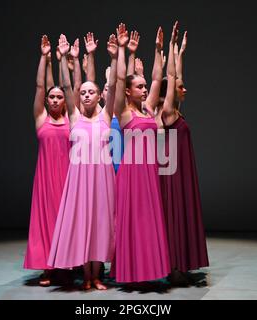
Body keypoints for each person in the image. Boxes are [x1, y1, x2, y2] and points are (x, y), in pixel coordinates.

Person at [48, 33, 118, 290]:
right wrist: (65, 57)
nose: (87, 95)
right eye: (84, 92)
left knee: (100, 224)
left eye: (92, 92)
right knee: (83, 222)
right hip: (79, 179)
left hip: (102, 176)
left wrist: (114, 56)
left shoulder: (106, 115)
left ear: (100, 96)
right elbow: (67, 88)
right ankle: (86, 276)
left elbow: (116, 87)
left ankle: (96, 275)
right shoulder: (75, 116)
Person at [112, 23, 171, 284]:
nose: (145, 89)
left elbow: (158, 78)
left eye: (144, 87)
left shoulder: (148, 109)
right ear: (128, 91)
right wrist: (123, 50)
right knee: (132, 221)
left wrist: (158, 49)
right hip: (131, 172)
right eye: (139, 87)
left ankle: (148, 270)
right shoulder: (124, 113)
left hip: (148, 171)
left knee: (148, 222)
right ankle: (131, 271)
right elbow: (117, 80)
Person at [157, 25, 209, 285]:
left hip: (183, 170)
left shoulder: (176, 110)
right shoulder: (167, 112)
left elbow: (176, 77)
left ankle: (181, 265)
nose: (185, 88)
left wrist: (182, 53)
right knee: (173, 215)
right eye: (181, 86)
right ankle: (174, 268)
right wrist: (171, 49)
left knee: (183, 214)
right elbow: (171, 76)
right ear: (170, 92)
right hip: (171, 172)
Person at [23, 35, 70, 287]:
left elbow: (66, 86)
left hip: (68, 177)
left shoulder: (72, 119)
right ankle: (49, 268)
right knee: (46, 222)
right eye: (51, 98)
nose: (53, 99)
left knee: (67, 220)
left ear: (64, 100)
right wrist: (44, 57)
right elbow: (41, 87)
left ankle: (68, 263)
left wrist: (60, 60)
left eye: (58, 97)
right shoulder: (41, 117)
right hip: (45, 178)